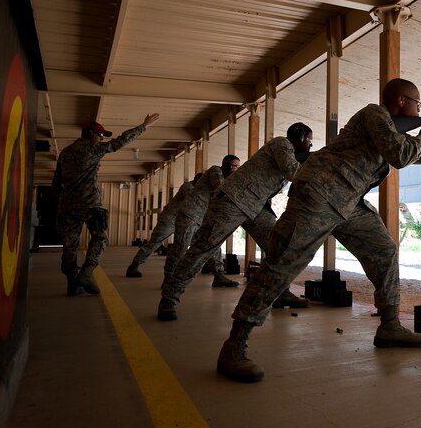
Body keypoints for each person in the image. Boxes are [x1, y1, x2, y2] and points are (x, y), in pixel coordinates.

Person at [215, 78, 421, 383]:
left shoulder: (392, 131)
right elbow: (401, 155)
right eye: (418, 104)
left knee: (384, 250)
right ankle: (234, 347)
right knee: (282, 264)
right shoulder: (374, 114)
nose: (419, 110)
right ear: (401, 102)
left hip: (348, 202)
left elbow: (420, 152)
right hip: (320, 194)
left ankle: (389, 325)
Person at [156, 123, 314, 321]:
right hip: (232, 200)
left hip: (254, 208)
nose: (310, 145)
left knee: (280, 246)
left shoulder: (290, 154)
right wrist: (317, 161)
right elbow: (293, 172)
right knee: (201, 250)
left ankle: (280, 294)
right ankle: (169, 298)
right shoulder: (281, 144)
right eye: (309, 140)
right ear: (299, 138)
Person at [52, 114, 160, 295]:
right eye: (100, 135)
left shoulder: (65, 153)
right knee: (100, 238)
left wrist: (61, 206)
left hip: (67, 206)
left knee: (69, 246)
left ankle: (72, 284)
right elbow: (119, 142)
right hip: (90, 204)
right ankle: (85, 274)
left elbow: (56, 183)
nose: (102, 139)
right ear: (91, 134)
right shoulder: (93, 149)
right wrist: (143, 126)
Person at [160, 154, 241, 293]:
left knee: (213, 245)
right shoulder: (216, 171)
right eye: (234, 166)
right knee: (180, 247)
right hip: (190, 215)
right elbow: (221, 188)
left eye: (238, 167)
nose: (236, 169)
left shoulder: (226, 178)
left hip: (202, 217)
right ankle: (168, 278)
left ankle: (219, 276)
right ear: (226, 164)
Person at [125, 173, 222, 278]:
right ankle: (134, 265)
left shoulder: (199, 190)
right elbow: (194, 200)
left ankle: (216, 272)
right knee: (155, 242)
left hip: (188, 221)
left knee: (206, 242)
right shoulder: (188, 187)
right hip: (171, 220)